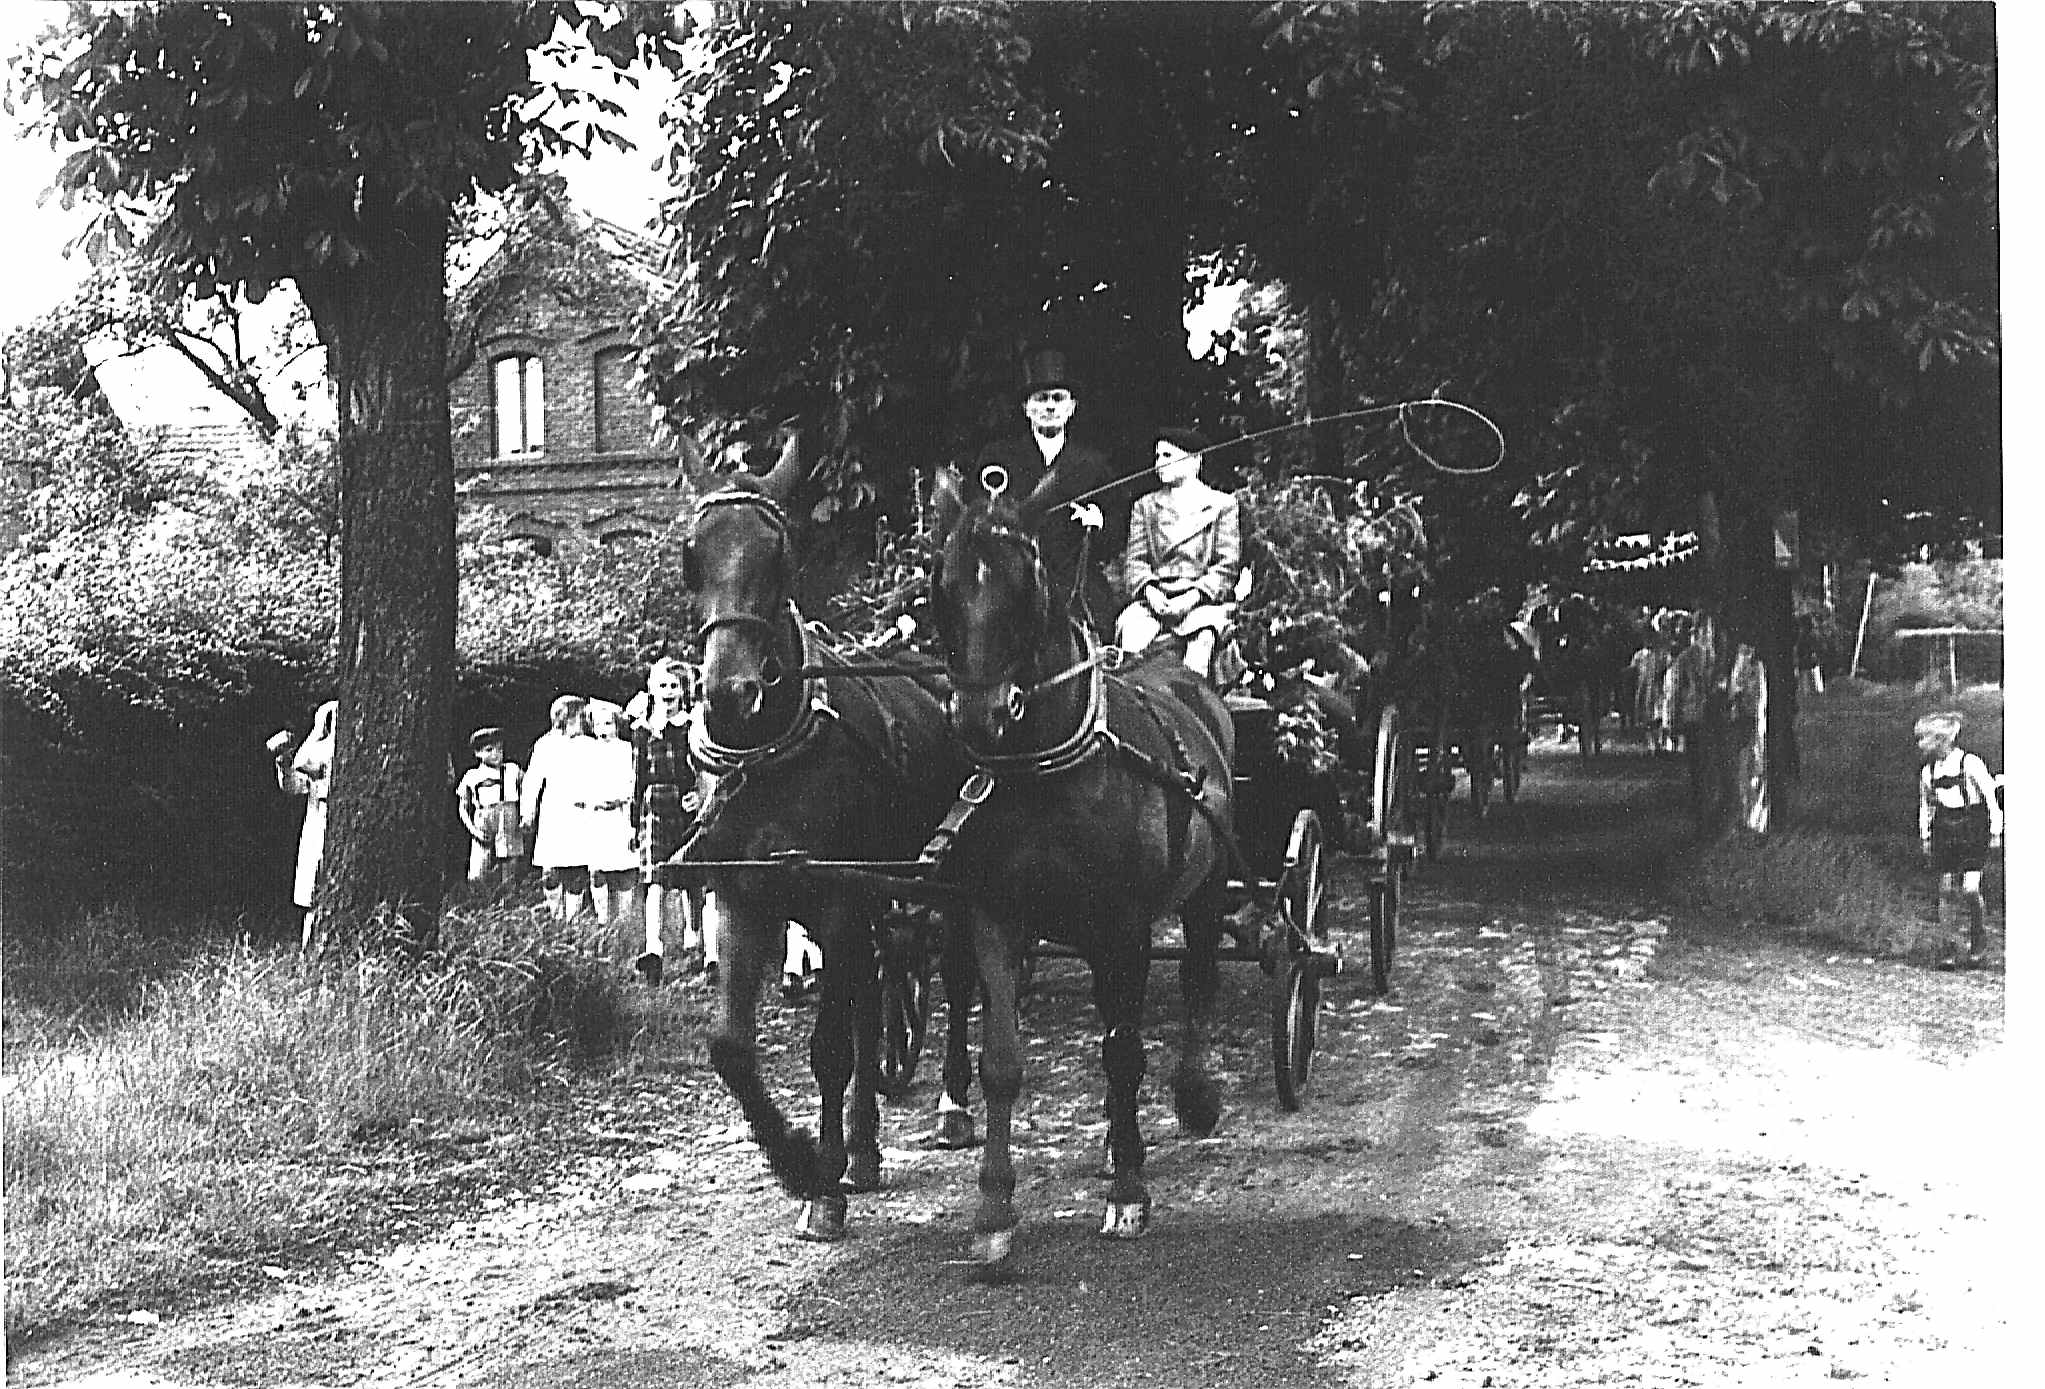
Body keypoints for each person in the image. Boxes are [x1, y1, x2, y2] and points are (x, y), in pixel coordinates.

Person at [971, 347, 1137, 633]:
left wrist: (1099, 522)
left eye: (1058, 399)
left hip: (1075, 584)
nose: (1050, 407)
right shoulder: (998, 457)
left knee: (1099, 640)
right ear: (1026, 408)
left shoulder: (1093, 465)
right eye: (1041, 399)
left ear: (1071, 407)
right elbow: (973, 518)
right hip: (1011, 584)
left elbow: (1118, 532)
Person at [1114, 426, 1242, 680]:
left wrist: (1194, 596)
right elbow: (1135, 561)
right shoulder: (1146, 506)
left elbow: (1226, 564)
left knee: (1202, 643)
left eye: (1168, 456)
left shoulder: (1221, 505)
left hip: (1201, 602)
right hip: (1154, 600)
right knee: (1130, 642)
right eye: (1158, 456)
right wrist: (1149, 591)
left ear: (1195, 460)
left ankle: (1194, 710)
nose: (1159, 463)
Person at [630, 658, 708, 985]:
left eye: (674, 686)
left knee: (692, 876)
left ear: (684, 691)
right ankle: (654, 946)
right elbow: (637, 776)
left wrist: (700, 795)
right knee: (655, 878)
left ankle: (696, 938)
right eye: (662, 686)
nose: (668, 692)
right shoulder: (643, 729)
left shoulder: (693, 725)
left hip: (686, 802)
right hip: (654, 803)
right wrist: (634, 821)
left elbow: (704, 767)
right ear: (652, 690)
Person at [1916, 710, 2003, 969]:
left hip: (1972, 828)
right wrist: (1926, 836)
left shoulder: (1970, 763)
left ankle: (1979, 940)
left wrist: (1996, 830)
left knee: (1969, 888)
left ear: (1941, 739)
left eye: (1923, 738)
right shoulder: (1928, 771)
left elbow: (1990, 797)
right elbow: (1926, 805)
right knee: (1945, 890)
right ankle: (1949, 947)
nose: (1920, 744)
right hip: (1945, 828)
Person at [521, 693, 593, 923]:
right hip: (553, 811)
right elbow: (532, 780)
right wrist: (528, 813)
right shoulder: (546, 744)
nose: (584, 720)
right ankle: (555, 915)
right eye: (580, 716)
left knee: (576, 868)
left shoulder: (589, 744)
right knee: (550, 869)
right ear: (566, 717)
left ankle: (572, 920)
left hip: (581, 812)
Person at [271, 699, 337, 948]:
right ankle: (308, 953)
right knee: (312, 896)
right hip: (318, 826)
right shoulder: (318, 750)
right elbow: (295, 784)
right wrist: (284, 764)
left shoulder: (342, 750)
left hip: (335, 826)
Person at [577, 701, 641, 938]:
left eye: (608, 724)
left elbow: (634, 781)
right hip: (595, 817)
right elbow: (580, 783)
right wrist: (590, 801)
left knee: (623, 868)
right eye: (598, 724)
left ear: (617, 725)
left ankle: (623, 923)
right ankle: (603, 920)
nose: (603, 729)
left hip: (620, 816)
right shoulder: (587, 751)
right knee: (597, 869)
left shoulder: (626, 749)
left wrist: (619, 799)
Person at [456, 726, 525, 885]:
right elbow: (463, 807)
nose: (496, 754)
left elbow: (528, 789)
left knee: (509, 862)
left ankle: (508, 899)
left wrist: (524, 815)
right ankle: (478, 901)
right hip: (483, 819)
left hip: (508, 816)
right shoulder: (472, 776)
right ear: (477, 753)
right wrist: (473, 830)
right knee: (479, 868)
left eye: (500, 749)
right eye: (489, 750)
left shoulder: (512, 769)